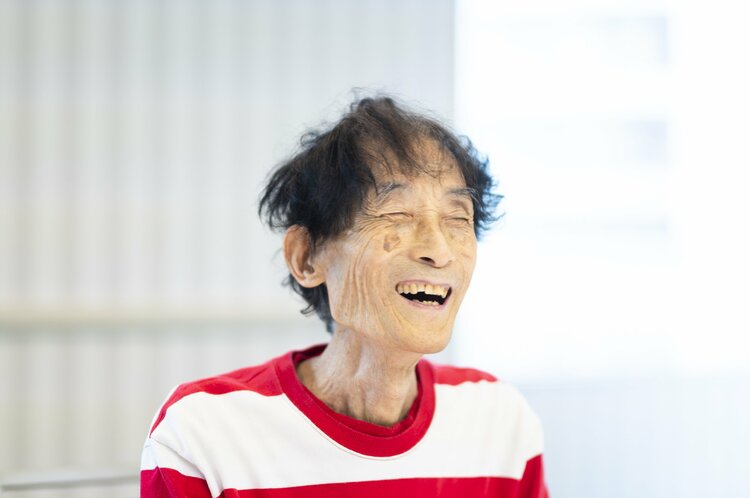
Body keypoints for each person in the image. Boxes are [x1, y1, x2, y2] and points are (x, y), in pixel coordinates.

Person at [140, 96, 549, 497]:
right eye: (396, 214)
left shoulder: (500, 423)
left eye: (457, 219)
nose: (439, 251)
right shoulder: (205, 434)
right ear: (306, 257)